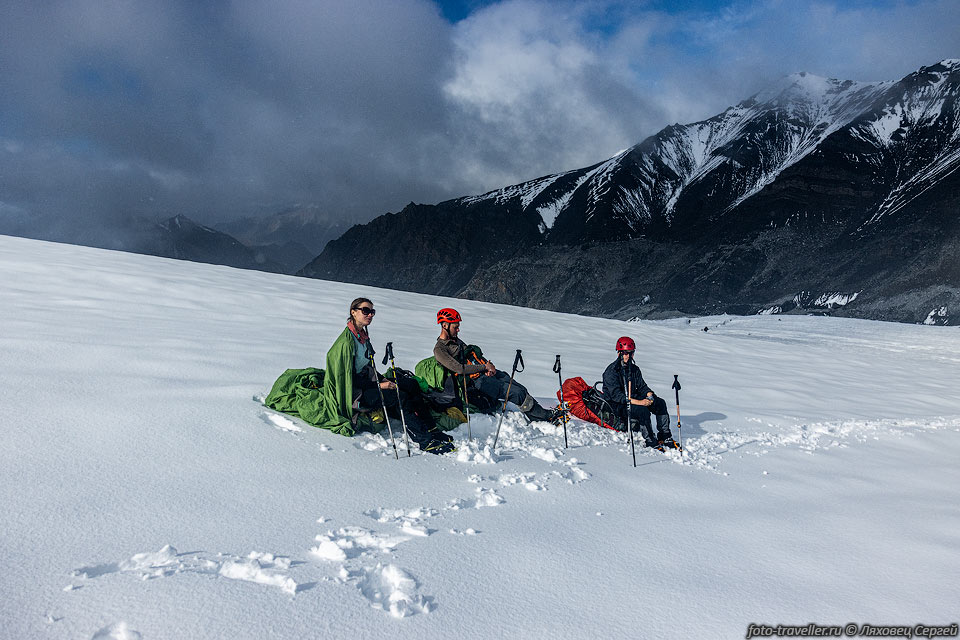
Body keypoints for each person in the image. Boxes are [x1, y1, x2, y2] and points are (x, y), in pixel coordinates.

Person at [327, 297, 454, 454]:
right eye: (365, 311)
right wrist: (380, 385)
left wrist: (383, 379)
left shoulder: (361, 336)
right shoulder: (347, 343)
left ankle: (431, 429)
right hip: (356, 394)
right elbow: (348, 379)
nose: (370, 315)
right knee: (399, 397)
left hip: (367, 383)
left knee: (411, 385)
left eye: (372, 311)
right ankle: (424, 441)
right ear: (353, 312)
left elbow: (367, 367)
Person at [433, 307, 557, 423]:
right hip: (473, 382)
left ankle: (537, 415)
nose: (458, 329)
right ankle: (547, 417)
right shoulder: (440, 349)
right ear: (445, 325)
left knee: (516, 385)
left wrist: (488, 365)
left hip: (481, 373)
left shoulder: (456, 341)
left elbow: (471, 357)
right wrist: (484, 368)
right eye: (455, 327)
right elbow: (459, 369)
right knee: (515, 392)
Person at [601, 336, 679, 451]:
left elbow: (642, 386)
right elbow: (616, 396)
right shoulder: (611, 372)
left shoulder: (634, 369)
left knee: (660, 403)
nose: (628, 356)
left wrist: (649, 395)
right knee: (642, 410)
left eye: (631, 353)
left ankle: (665, 435)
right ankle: (650, 439)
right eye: (625, 353)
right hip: (616, 404)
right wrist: (640, 402)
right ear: (619, 353)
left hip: (632, 398)